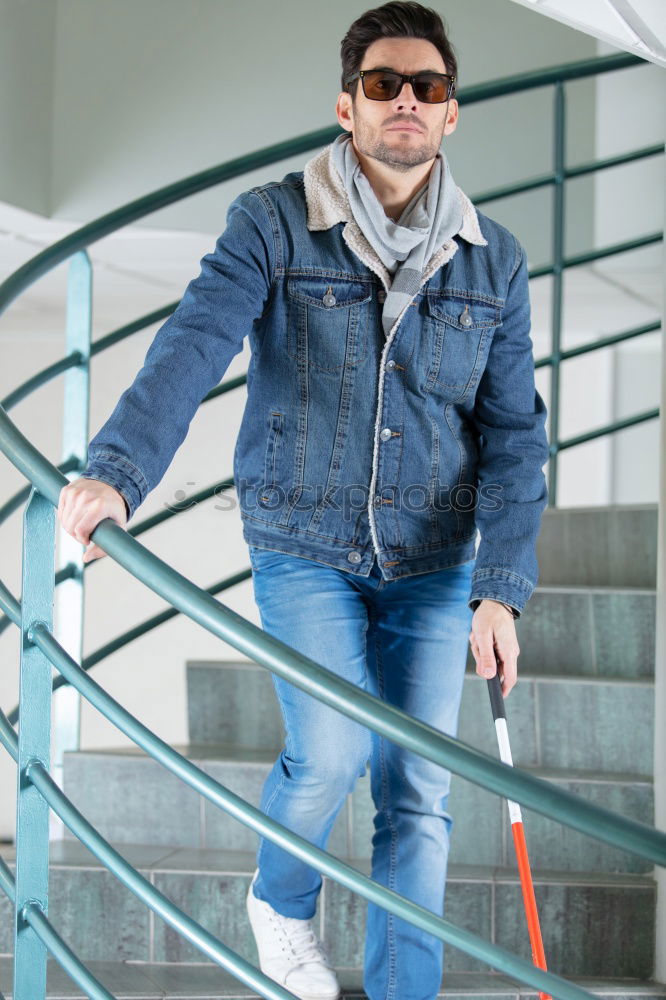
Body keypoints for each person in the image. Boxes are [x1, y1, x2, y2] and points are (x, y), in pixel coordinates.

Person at [57, 3, 550, 998]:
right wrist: (119, 469)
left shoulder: (494, 261)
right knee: (330, 751)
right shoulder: (274, 221)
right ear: (347, 104)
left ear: (451, 115)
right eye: (383, 83)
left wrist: (501, 586)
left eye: (428, 86)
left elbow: (514, 435)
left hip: (437, 561)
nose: (406, 99)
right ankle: (283, 902)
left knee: (417, 790)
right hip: (303, 541)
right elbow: (194, 343)